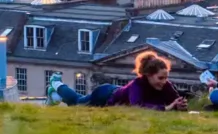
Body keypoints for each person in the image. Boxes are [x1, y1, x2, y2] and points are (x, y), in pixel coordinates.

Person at [51, 51, 187, 111]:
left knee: (79, 100)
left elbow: (174, 100)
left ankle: (54, 95)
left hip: (116, 90)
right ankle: (56, 83)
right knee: (77, 102)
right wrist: (167, 108)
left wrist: (179, 106)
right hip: (104, 94)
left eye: (166, 77)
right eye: (160, 78)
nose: (164, 81)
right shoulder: (137, 86)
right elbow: (138, 107)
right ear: (148, 75)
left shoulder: (165, 85)